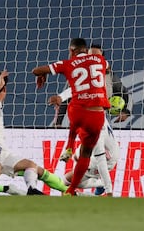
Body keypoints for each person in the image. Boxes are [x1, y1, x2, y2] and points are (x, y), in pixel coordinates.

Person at [32, 38, 111, 196]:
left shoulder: (67, 63)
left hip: (78, 112)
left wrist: (42, 75)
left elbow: (36, 70)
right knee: (86, 153)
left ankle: (68, 146)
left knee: (74, 110)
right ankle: (71, 190)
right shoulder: (101, 60)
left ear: (71, 51)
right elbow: (106, 66)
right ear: (86, 49)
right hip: (96, 114)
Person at [52, 44, 132, 127]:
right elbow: (64, 101)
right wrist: (58, 123)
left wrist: (126, 111)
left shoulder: (110, 77)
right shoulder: (77, 77)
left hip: (102, 123)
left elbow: (125, 93)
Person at [63, 117, 120, 196]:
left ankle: (100, 184)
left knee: (67, 181)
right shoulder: (98, 113)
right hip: (112, 149)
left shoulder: (95, 132)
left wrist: (109, 191)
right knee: (75, 160)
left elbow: (102, 164)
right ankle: (98, 184)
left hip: (106, 158)